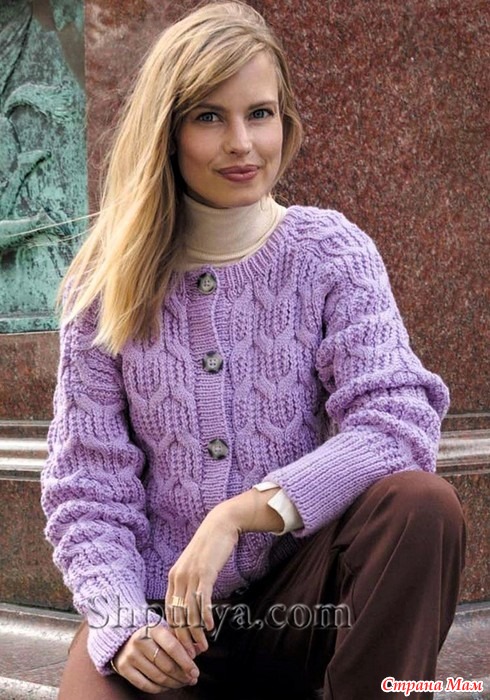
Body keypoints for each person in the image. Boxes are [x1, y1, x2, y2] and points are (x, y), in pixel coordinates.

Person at [41, 2, 466, 698]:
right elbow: (87, 490)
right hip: (165, 619)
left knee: (423, 505)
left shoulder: (330, 255)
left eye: (259, 113)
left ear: (284, 122)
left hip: (308, 602)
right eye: (210, 117)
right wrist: (121, 623)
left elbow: (396, 426)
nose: (242, 142)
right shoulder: (104, 285)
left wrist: (239, 514)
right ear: (168, 132)